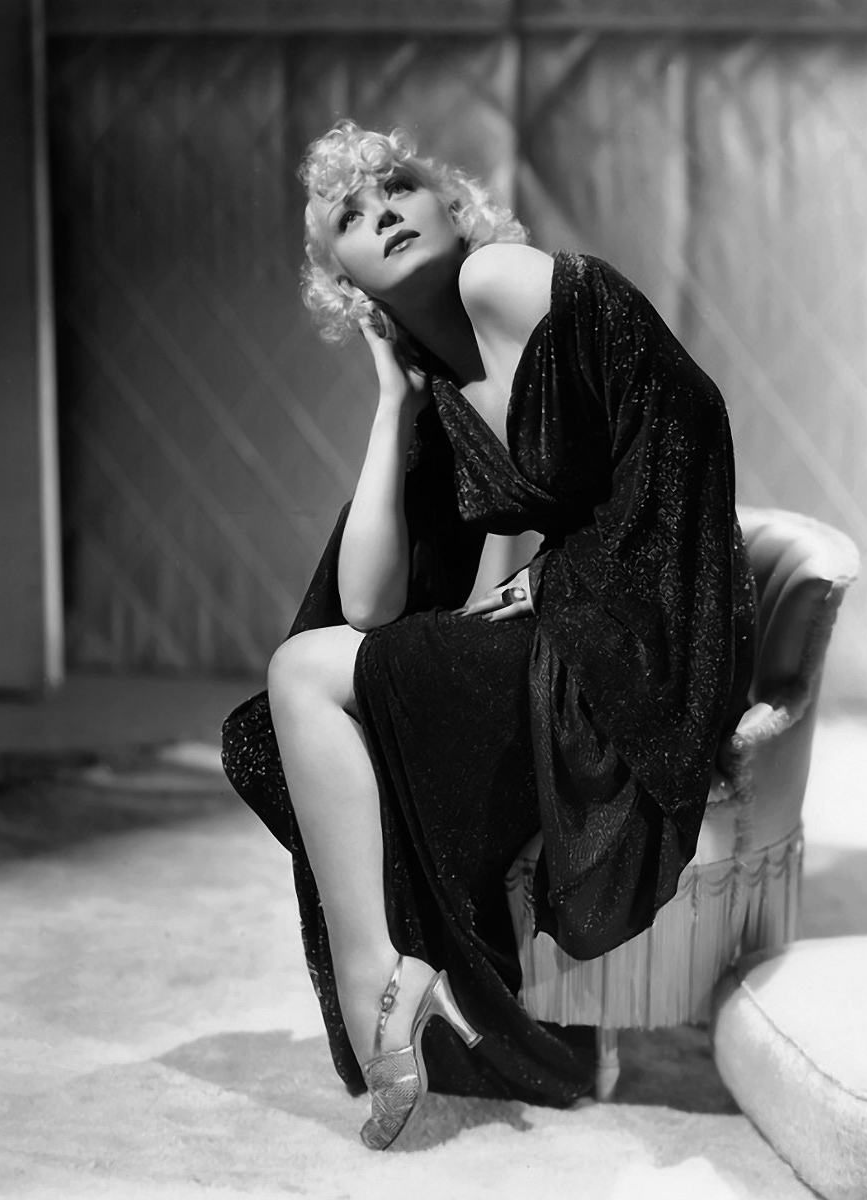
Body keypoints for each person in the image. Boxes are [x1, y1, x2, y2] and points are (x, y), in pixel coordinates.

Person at [222, 119, 757, 1150]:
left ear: (453, 205)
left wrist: (561, 582)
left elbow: (690, 417)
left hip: (647, 630)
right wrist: (391, 404)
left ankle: (381, 980)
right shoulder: (440, 384)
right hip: (583, 632)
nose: (382, 210)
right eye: (350, 215)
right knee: (310, 687)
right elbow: (370, 603)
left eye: (397, 186)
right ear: (343, 285)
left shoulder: (500, 282)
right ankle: (411, 987)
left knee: (305, 678)